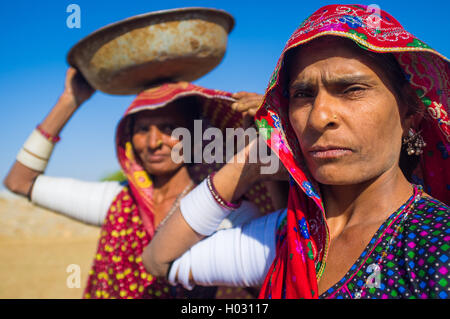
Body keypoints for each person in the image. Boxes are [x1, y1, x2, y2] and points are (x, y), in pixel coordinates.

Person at [142, 4, 449, 299]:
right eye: (303, 94)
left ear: (410, 113)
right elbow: (160, 261)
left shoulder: (438, 242)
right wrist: (248, 165)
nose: (318, 117)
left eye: (352, 89)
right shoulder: (288, 235)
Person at [3, 68, 282, 299]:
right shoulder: (118, 203)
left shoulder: (227, 211)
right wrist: (70, 100)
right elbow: (19, 182)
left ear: (198, 135)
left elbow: (283, 264)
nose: (153, 143)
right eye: (142, 129)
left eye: (170, 128)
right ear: (128, 137)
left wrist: (271, 131)